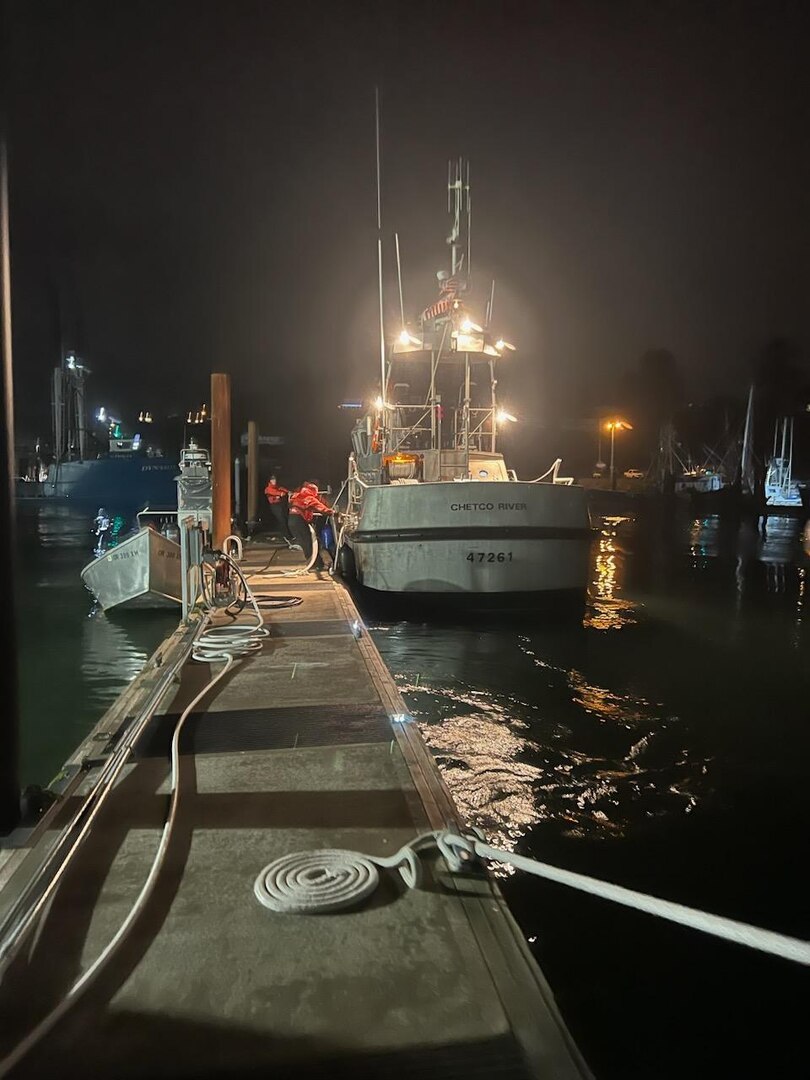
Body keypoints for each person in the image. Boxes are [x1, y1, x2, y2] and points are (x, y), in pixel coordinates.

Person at [288, 480, 332, 569]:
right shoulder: (309, 497)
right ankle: (317, 565)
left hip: (291, 520)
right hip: (298, 520)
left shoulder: (298, 494)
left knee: (304, 543)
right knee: (309, 543)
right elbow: (321, 508)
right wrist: (332, 512)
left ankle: (311, 563)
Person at [264, 474, 293, 544]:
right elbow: (275, 492)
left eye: (274, 479)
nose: (274, 481)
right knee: (282, 520)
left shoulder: (277, 487)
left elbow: (282, 489)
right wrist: (280, 494)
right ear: (270, 481)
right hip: (274, 506)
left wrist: (288, 491)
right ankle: (286, 536)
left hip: (280, 505)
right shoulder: (268, 489)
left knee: (285, 519)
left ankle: (288, 535)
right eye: (272, 480)